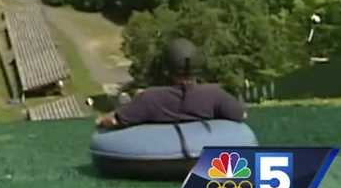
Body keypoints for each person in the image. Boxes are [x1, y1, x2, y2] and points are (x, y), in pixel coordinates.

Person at [96, 38, 247, 129]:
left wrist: (101, 120)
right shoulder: (215, 95)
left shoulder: (150, 98)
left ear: (167, 69)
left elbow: (114, 120)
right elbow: (241, 114)